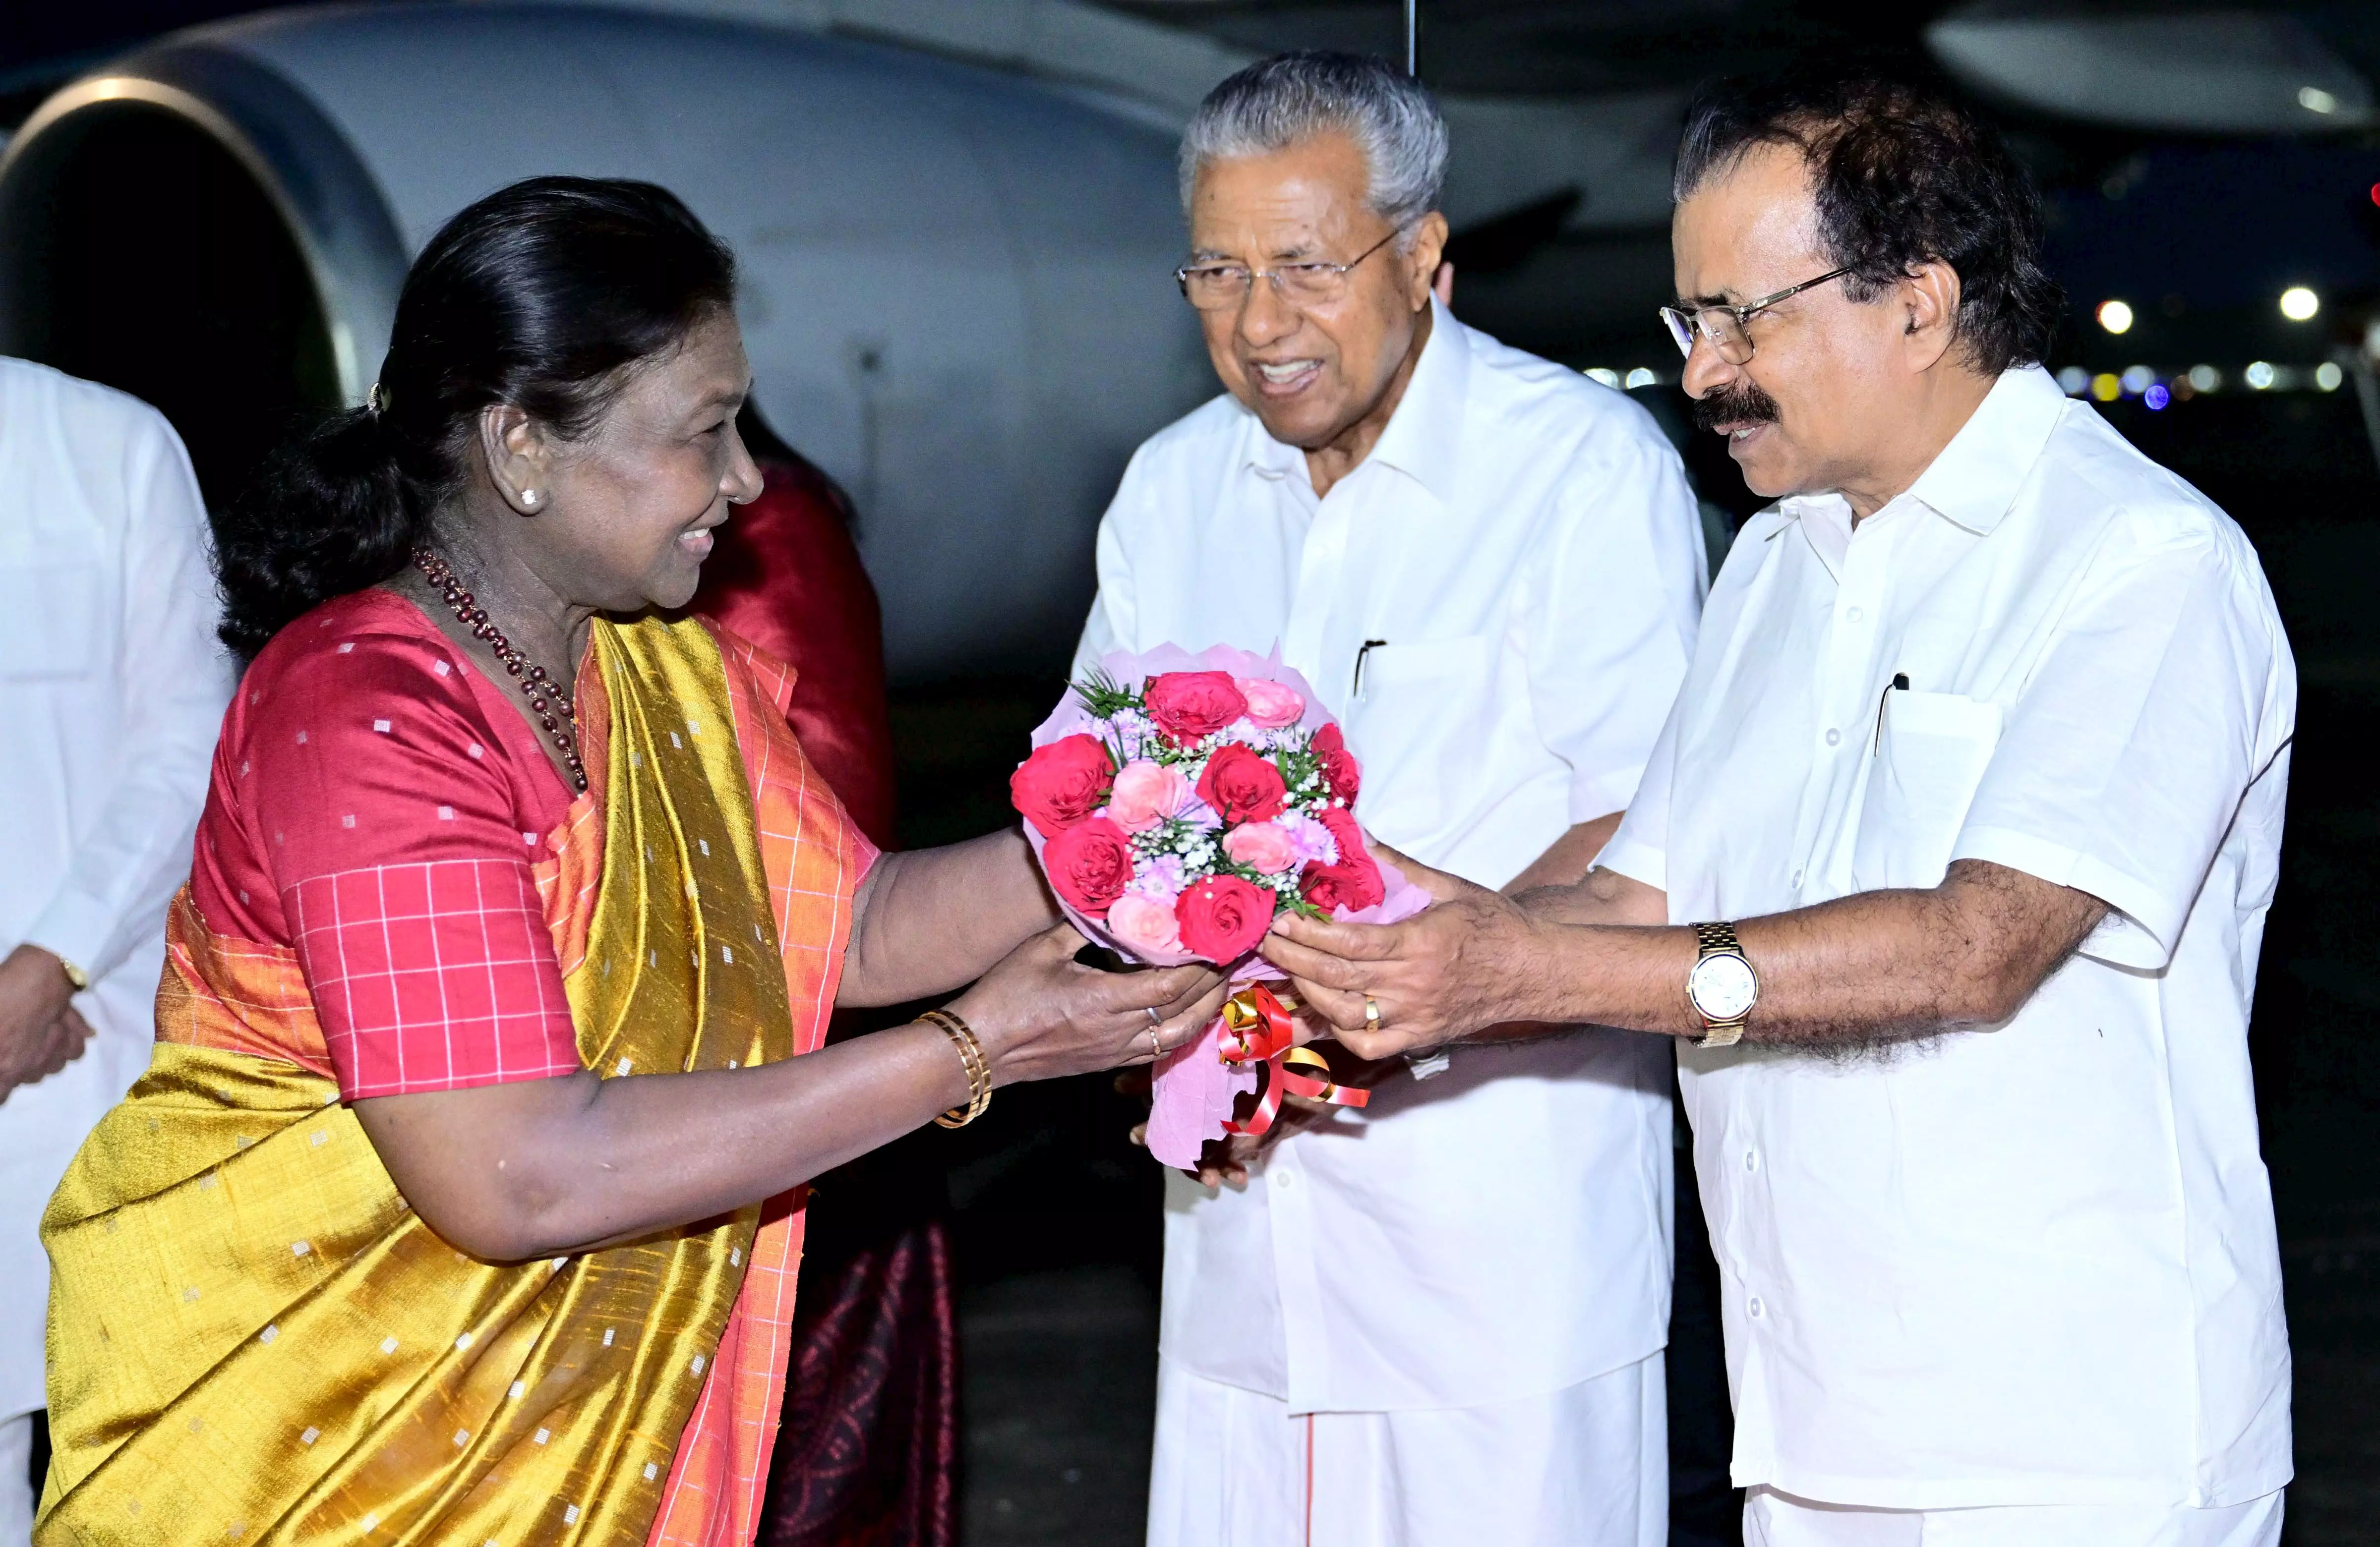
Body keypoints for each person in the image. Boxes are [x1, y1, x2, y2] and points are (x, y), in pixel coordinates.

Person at [35, 176, 1227, 1547]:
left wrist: (1130, 831)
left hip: (560, 1436)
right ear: (522, 446)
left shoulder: (656, 669)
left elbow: (852, 924)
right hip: (329, 1446)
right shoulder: (362, 718)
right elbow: (517, 1174)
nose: (749, 480)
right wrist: (974, 1053)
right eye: (703, 433)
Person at [1266, 64, 2294, 1547]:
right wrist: (1371, 933)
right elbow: (1637, 903)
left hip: (2076, 1443)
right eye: (1692, 322)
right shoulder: (1774, 561)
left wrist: (1519, 966)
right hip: (1808, 1424)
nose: (1701, 375)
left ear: (1921, 305)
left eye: (1746, 318)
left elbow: (1976, 947)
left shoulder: (2139, 561)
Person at [1077, 53, 1706, 1547]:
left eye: (1305, 266)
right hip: (1241, 1233)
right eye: (1217, 272)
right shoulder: (1170, 491)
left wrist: (1396, 991)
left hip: (1495, 1236)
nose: (1259, 323)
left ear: (1425, 256)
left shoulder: (1581, 470)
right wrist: (1157, 1019)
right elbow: (1097, 816)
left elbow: (1653, 819)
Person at [0, 359, 233, 1546]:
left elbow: (189, 734)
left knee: (133, 1455)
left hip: (80, 1064)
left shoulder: (107, 446)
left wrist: (53, 962)